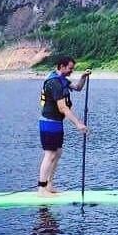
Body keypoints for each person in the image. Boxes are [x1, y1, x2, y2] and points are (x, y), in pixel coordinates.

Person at [37, 56, 90, 195]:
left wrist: (83, 77)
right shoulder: (54, 82)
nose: (71, 71)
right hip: (48, 123)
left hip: (57, 123)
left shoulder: (62, 80)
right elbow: (63, 108)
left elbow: (77, 87)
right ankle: (42, 189)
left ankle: (49, 185)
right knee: (50, 154)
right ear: (62, 66)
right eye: (70, 68)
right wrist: (78, 124)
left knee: (58, 153)